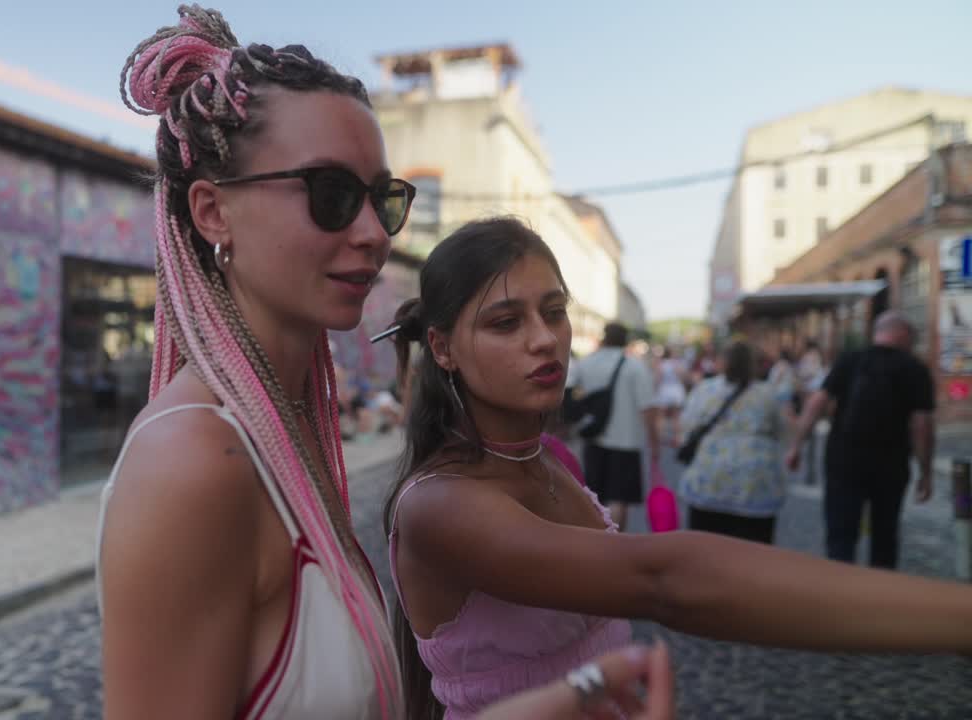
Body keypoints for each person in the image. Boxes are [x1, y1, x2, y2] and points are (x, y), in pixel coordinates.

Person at [97, 7, 672, 719]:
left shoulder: (281, 428)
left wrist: (570, 694)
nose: (371, 232)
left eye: (384, 199)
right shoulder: (194, 459)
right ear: (213, 211)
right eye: (331, 196)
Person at [385, 217, 972, 719]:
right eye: (505, 322)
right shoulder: (441, 504)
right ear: (442, 348)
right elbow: (664, 580)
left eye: (555, 311)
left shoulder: (549, 458)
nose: (545, 340)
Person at [786, 311, 935, 568]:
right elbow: (922, 425)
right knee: (884, 536)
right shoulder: (915, 368)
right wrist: (925, 471)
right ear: (903, 335)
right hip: (890, 462)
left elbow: (816, 403)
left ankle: (841, 596)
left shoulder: (850, 360)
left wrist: (796, 445)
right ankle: (879, 598)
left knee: (841, 536)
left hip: (844, 459)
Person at [678, 340, 788, 543]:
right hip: (755, 485)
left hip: (709, 481)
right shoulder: (766, 394)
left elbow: (687, 425)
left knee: (706, 548)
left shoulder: (705, 390)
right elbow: (782, 431)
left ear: (723, 362)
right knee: (753, 550)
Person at [569, 322, 659, 530]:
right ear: (625, 339)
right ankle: (617, 542)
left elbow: (572, 396)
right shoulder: (635, 366)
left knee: (595, 496)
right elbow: (648, 409)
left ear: (604, 338)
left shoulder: (586, 363)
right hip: (626, 441)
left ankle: (597, 540)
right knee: (619, 497)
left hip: (594, 437)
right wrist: (654, 444)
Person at [654, 347, 687, 443]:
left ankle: (659, 437)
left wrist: (655, 390)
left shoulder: (661, 364)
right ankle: (677, 437)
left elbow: (658, 379)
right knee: (676, 417)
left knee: (661, 416)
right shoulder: (676, 364)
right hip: (676, 391)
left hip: (664, 391)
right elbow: (682, 377)